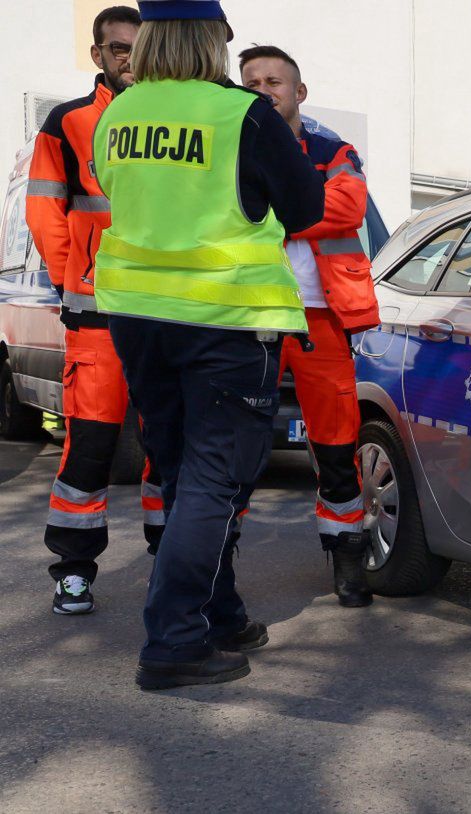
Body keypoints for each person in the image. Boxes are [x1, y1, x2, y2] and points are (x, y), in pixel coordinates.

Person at [92, 0, 325, 689]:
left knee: (184, 474)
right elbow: (306, 207)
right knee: (214, 481)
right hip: (226, 319)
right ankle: (172, 642)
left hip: (138, 317)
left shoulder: (118, 113)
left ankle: (219, 615)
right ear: (212, 41)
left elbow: (115, 189)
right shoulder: (240, 114)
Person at [26, 5, 164, 616]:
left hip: (165, 309)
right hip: (97, 311)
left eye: (138, 47)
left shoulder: (177, 116)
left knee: (170, 441)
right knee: (90, 445)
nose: (128, 58)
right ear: (98, 56)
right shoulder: (68, 122)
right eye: (116, 49)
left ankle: (172, 560)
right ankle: (74, 570)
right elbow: (45, 211)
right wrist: (72, 280)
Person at [240, 45, 380, 607]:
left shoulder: (332, 150)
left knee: (336, 440)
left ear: (300, 93)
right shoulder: (229, 149)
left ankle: (347, 561)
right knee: (235, 446)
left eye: (275, 80)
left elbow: (346, 209)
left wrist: (272, 211)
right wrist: (301, 207)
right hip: (248, 317)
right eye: (250, 81)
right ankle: (216, 567)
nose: (262, 88)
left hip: (319, 317)